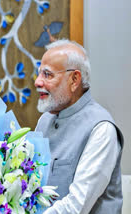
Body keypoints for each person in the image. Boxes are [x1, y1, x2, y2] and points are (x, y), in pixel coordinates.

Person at [34, 39, 124, 213]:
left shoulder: (102, 129)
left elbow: (76, 206)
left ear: (74, 80)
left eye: (47, 74)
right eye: (38, 73)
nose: (37, 82)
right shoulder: (44, 121)